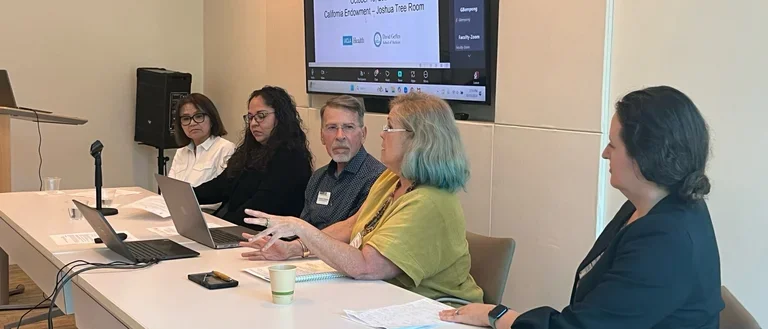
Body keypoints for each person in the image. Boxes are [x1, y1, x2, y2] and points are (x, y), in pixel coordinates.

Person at [440, 86, 724, 329]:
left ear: (645, 156)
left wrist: (499, 316)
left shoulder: (667, 241)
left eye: (613, 145)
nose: (605, 154)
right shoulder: (649, 207)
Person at [239, 92, 484, 304]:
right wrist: (294, 248)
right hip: (384, 297)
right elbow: (353, 224)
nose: (382, 135)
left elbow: (367, 266)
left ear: (418, 138)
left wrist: (300, 227)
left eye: (389, 127)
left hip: (434, 310)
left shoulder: (428, 201)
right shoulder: (391, 178)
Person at [193, 86, 313, 230]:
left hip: (264, 234)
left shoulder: (291, 158)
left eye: (261, 116)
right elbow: (222, 185)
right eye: (250, 117)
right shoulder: (251, 150)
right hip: (238, 227)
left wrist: (219, 227)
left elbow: (259, 208)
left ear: (281, 117)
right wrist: (189, 195)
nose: (254, 123)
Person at [297, 95, 385, 230]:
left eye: (348, 127)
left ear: (363, 134)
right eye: (332, 127)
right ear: (322, 136)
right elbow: (303, 229)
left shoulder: (377, 179)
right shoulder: (318, 178)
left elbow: (356, 235)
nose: (340, 136)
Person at [167, 93, 235, 188]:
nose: (192, 123)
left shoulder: (225, 149)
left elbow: (225, 190)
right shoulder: (181, 152)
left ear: (212, 119)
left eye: (198, 116)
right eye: (186, 118)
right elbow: (169, 188)